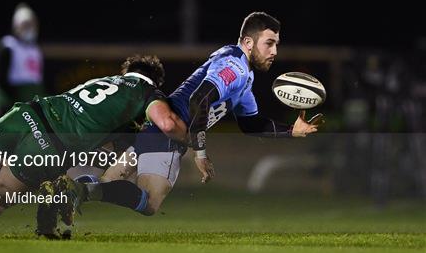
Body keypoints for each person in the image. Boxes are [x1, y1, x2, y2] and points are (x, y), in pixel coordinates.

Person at [51, 12, 323, 225]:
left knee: (108, 183)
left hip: (154, 128)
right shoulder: (235, 67)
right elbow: (199, 100)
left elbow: (251, 124)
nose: (274, 51)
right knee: (149, 203)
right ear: (248, 42)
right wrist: (200, 151)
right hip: (169, 133)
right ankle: (78, 190)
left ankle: (70, 190)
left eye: (277, 44)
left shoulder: (243, 76)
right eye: (269, 43)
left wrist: (291, 131)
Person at [0, 55, 187, 237]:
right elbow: (166, 124)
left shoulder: (103, 82)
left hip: (27, 114)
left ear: (127, 71)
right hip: (52, 143)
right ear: (154, 80)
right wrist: (187, 137)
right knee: (0, 197)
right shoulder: (146, 93)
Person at [0, 3, 45, 115]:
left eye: (32, 25)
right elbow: (0, 77)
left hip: (31, 99)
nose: (29, 29)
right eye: (26, 25)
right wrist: (12, 97)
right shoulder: (9, 46)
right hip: (13, 101)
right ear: (17, 26)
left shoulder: (35, 49)